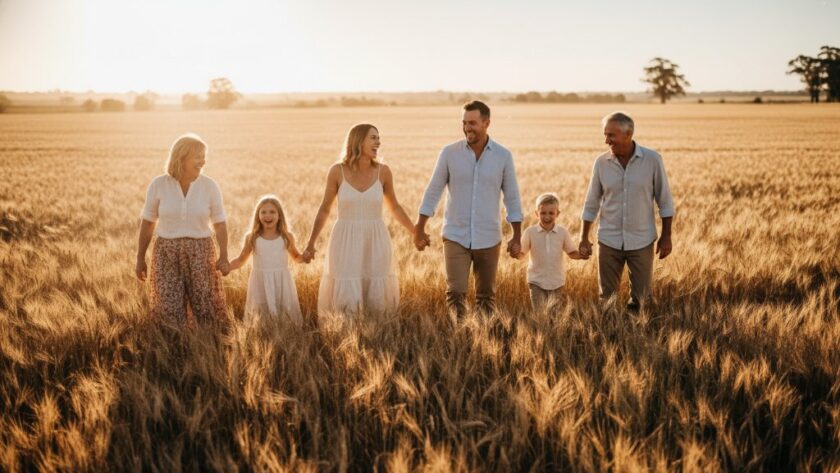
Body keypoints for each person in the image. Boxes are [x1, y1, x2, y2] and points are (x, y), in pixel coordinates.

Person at [415, 101, 523, 317]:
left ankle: (484, 342)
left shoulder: (503, 156)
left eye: (472, 123)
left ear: (486, 123)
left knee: (486, 297)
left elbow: (512, 197)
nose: (467, 128)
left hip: (489, 236)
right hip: (456, 234)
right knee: (455, 293)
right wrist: (420, 227)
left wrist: (517, 235)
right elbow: (433, 191)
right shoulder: (449, 153)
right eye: (464, 123)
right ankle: (461, 339)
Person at [303, 124, 415, 317]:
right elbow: (324, 209)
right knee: (347, 285)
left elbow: (395, 207)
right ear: (358, 140)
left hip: (376, 239)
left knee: (376, 286)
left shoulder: (384, 172)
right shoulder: (337, 171)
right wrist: (311, 242)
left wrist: (415, 232)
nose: (378, 142)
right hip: (344, 239)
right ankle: (345, 333)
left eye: (378, 138)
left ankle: (378, 335)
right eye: (373, 137)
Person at [579, 112, 675, 311]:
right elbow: (591, 203)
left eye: (611, 135)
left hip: (641, 240)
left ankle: (637, 337)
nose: (606, 140)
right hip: (608, 240)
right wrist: (583, 237)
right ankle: (611, 336)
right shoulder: (601, 163)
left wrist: (666, 236)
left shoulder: (652, 160)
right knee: (607, 299)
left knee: (642, 298)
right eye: (605, 135)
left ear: (628, 134)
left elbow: (664, 201)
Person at [136, 133, 230, 327]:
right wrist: (140, 258)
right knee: (168, 309)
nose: (203, 161)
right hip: (166, 252)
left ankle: (208, 349)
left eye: (204, 156)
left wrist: (224, 255)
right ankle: (174, 351)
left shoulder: (209, 186)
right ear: (181, 156)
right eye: (198, 156)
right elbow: (147, 223)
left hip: (201, 252)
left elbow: (220, 223)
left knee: (206, 308)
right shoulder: (159, 184)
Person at [228, 195, 305, 325]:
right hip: (260, 282)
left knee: (284, 313)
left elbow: (297, 257)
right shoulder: (252, 238)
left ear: (279, 215)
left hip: (281, 281)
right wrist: (226, 266)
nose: (267, 215)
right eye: (263, 212)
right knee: (261, 315)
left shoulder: (286, 237)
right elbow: (241, 260)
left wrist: (306, 257)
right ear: (257, 215)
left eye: (272, 212)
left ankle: (286, 337)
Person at [516, 192, 585, 311]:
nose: (547, 216)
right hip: (536, 281)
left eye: (551, 213)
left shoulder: (563, 232)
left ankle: (553, 330)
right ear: (536, 213)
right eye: (543, 213)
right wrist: (515, 251)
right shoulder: (530, 232)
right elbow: (521, 255)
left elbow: (572, 253)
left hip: (557, 282)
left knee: (555, 316)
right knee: (539, 315)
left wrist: (582, 255)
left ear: (557, 213)